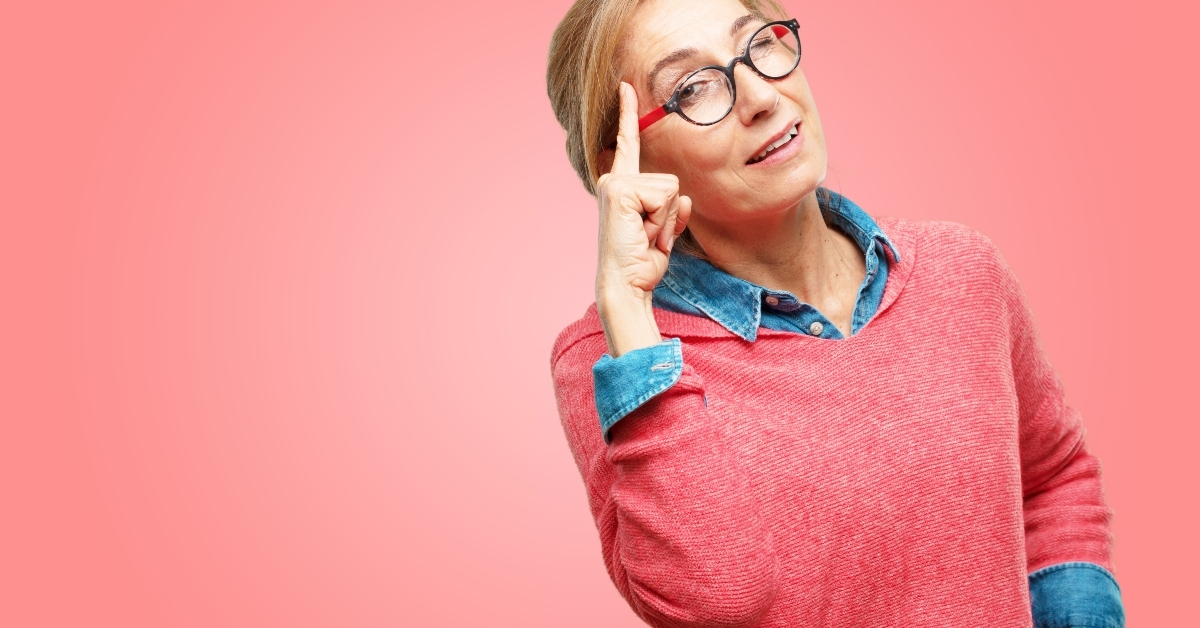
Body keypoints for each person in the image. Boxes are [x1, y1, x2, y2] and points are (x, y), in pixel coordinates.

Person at [545, 0, 1125, 625]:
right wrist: (631, 315)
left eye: (759, 44)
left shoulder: (964, 270)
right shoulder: (615, 359)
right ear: (622, 166)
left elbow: (1051, 480)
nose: (761, 97)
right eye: (694, 88)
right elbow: (715, 600)